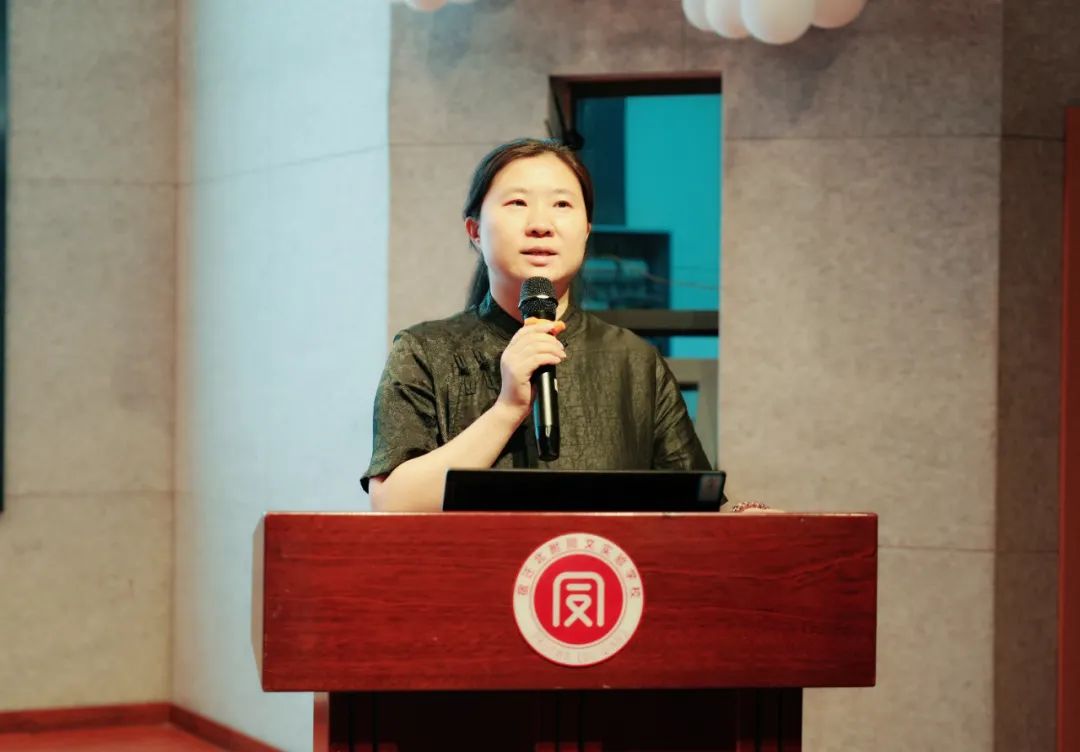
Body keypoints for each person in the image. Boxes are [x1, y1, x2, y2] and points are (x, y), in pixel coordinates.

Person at [363, 138, 756, 513]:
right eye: (517, 202)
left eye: (562, 204)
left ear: (586, 230)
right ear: (475, 231)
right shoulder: (425, 350)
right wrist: (508, 409)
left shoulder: (633, 360)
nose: (541, 224)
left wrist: (743, 515)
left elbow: (695, 504)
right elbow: (392, 501)